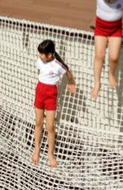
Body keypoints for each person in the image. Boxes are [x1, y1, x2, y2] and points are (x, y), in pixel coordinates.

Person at [31, 39, 76, 169]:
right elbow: (39, 72)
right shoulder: (40, 61)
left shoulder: (57, 65)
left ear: (50, 55)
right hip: (40, 91)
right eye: (39, 53)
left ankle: (51, 154)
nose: (39, 56)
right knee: (38, 122)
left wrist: (71, 83)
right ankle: (37, 150)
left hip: (51, 94)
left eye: (42, 54)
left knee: (50, 126)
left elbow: (68, 73)